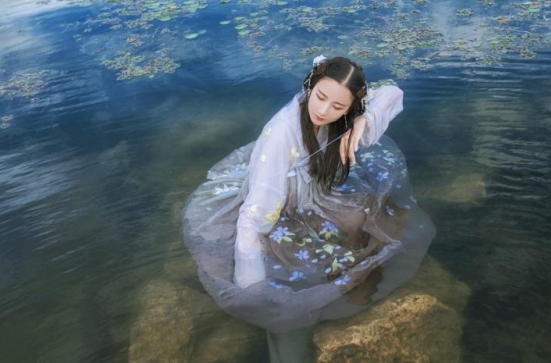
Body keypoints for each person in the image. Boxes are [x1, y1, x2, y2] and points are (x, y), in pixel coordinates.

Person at [182, 56, 435, 361]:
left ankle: (346, 288)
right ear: (310, 86)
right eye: (320, 97)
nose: (324, 111)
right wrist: (253, 292)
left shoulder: (346, 112)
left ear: (351, 106)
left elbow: (392, 93)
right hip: (279, 206)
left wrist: (362, 121)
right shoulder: (282, 135)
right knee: (294, 279)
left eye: (338, 107)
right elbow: (254, 219)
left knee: (371, 220)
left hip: (315, 194)